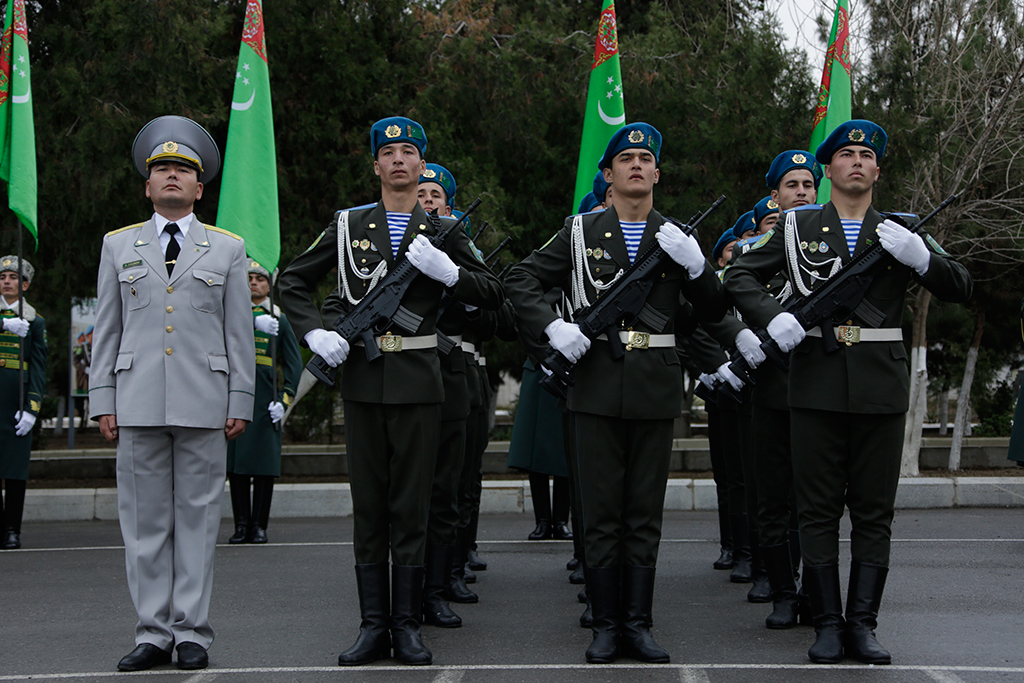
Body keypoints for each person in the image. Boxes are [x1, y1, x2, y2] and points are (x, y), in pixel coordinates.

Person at [724, 120, 973, 664]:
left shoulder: (901, 230)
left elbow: (962, 286)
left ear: (877, 170)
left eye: (867, 154)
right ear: (828, 168)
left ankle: (863, 623)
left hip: (880, 388)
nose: (857, 161)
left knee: (873, 511)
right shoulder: (795, 227)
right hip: (813, 382)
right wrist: (773, 318)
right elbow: (738, 275)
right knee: (815, 511)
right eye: (847, 154)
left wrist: (922, 258)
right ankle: (828, 624)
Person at [278, 117, 503, 666]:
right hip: (362, 381)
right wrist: (315, 332)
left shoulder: (445, 232)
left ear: (422, 165)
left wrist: (450, 274)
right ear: (375, 165)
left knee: (411, 508)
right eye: (389, 152)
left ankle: (407, 625)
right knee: (370, 508)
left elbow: (494, 292)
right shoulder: (348, 224)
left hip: (421, 383)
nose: (399, 160)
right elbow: (291, 280)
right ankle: (372, 625)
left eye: (409, 152)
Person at [506, 122, 725, 664]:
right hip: (596, 384)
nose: (634, 165)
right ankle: (605, 626)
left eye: (643, 159)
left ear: (656, 173)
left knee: (643, 513)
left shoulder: (676, 238)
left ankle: (639, 625)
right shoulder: (579, 233)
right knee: (601, 513)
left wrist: (698, 267)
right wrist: (553, 329)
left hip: (654, 388)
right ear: (607, 174)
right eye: (623, 158)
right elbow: (519, 279)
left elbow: (713, 312)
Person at [90, 115, 255, 671]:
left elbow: (240, 334)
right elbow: (107, 330)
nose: (171, 178)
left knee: (198, 520)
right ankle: (152, 632)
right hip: (136, 400)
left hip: (204, 400)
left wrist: (241, 399)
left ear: (199, 187)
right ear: (147, 183)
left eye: (182, 171)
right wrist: (102, 397)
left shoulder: (227, 248)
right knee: (143, 524)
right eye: (161, 169)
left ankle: (191, 633)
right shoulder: (117, 245)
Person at [225, 259, 302, 544]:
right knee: (237, 466)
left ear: (269, 285)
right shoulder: (231, 315)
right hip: (237, 396)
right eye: (249, 278)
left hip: (266, 401)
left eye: (260, 278)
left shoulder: (278, 318)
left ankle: (259, 525)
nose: (254, 283)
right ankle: (241, 524)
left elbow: (293, 365)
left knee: (265, 467)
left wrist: (285, 400)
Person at [0, 256, 46, 550]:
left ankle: (11, 529)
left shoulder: (34, 321)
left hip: (15, 404)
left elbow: (39, 368)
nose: (6, 281)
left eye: (13, 277)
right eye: (3, 276)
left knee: (15, 470)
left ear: (25, 284)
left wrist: (32, 409)